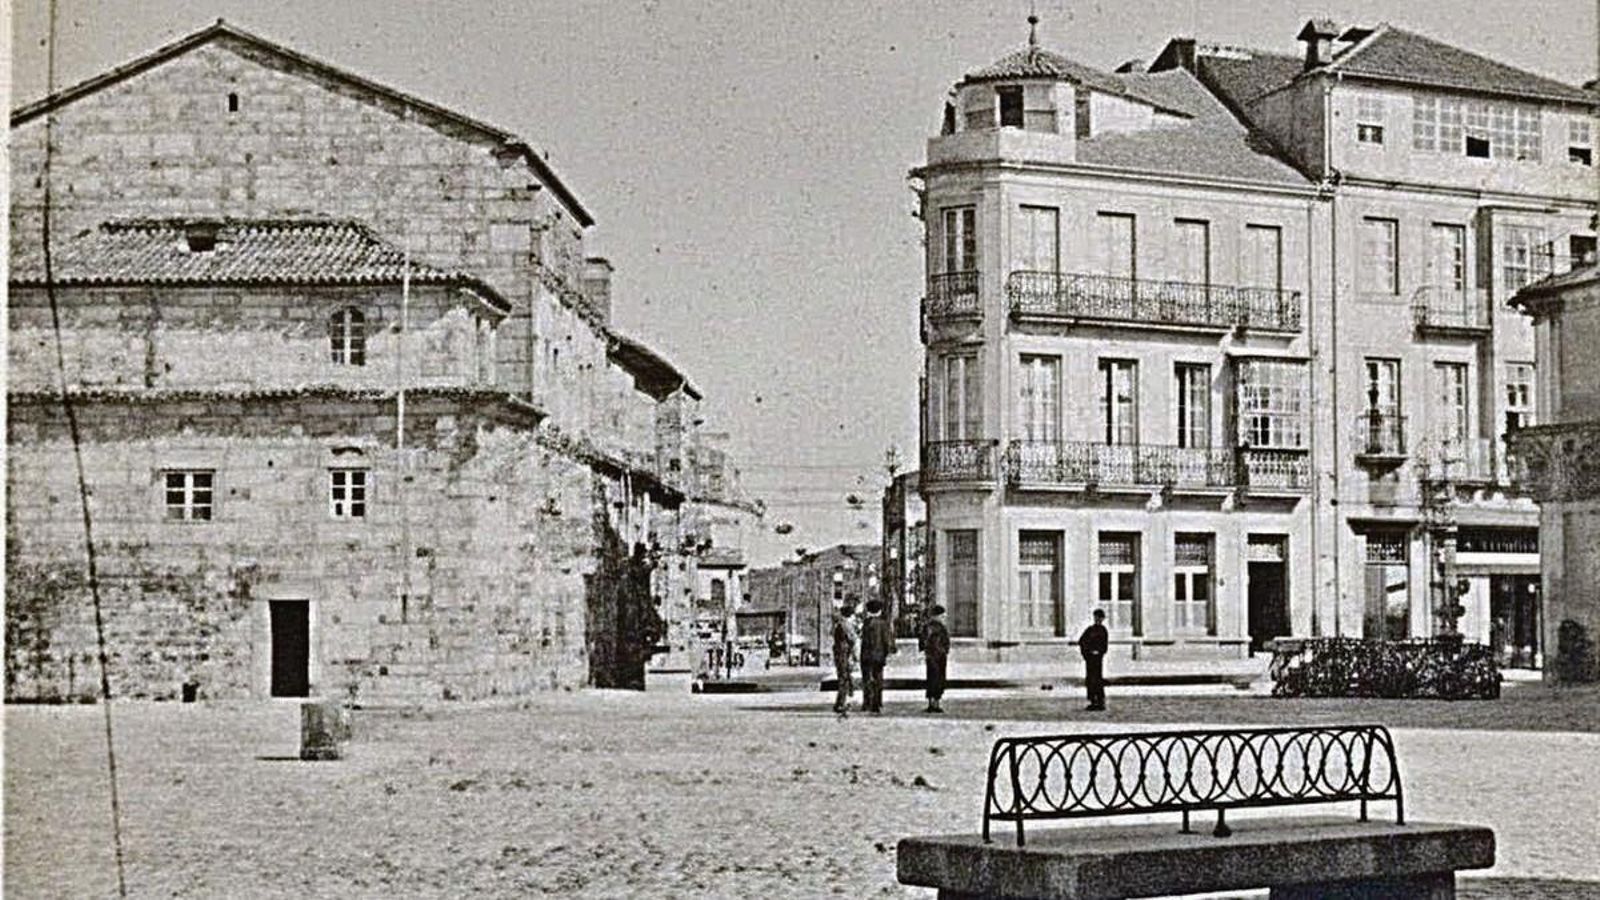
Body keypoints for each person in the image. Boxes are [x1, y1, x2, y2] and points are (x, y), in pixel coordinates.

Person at [859, 599, 895, 714]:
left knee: (867, 679)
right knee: (878, 679)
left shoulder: (866, 623)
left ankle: (866, 702)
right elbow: (887, 640)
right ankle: (876, 702)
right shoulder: (883, 624)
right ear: (879, 611)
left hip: (865, 656)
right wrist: (891, 650)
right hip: (879, 656)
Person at [920, 605, 951, 713]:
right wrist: (945, 650)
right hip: (940, 656)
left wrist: (924, 651)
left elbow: (922, 641)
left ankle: (931, 702)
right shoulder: (942, 628)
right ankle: (936, 702)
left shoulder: (927, 627)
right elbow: (946, 642)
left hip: (931, 656)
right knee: (939, 679)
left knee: (931, 678)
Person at [1077, 609, 1109, 711]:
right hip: (1090, 658)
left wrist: (1099, 652)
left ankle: (1100, 701)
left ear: (1102, 619)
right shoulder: (1090, 630)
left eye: (1099, 617)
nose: (1097, 619)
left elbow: (1104, 645)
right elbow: (1081, 641)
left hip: (1098, 658)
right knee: (1090, 679)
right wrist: (1086, 653)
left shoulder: (1103, 631)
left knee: (1098, 679)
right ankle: (1092, 701)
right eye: (1096, 617)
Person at [831, 602, 859, 717]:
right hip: (844, 653)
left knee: (844, 677)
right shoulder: (845, 625)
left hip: (840, 653)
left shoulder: (840, 624)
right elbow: (852, 639)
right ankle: (841, 702)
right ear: (850, 615)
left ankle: (843, 700)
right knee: (844, 678)